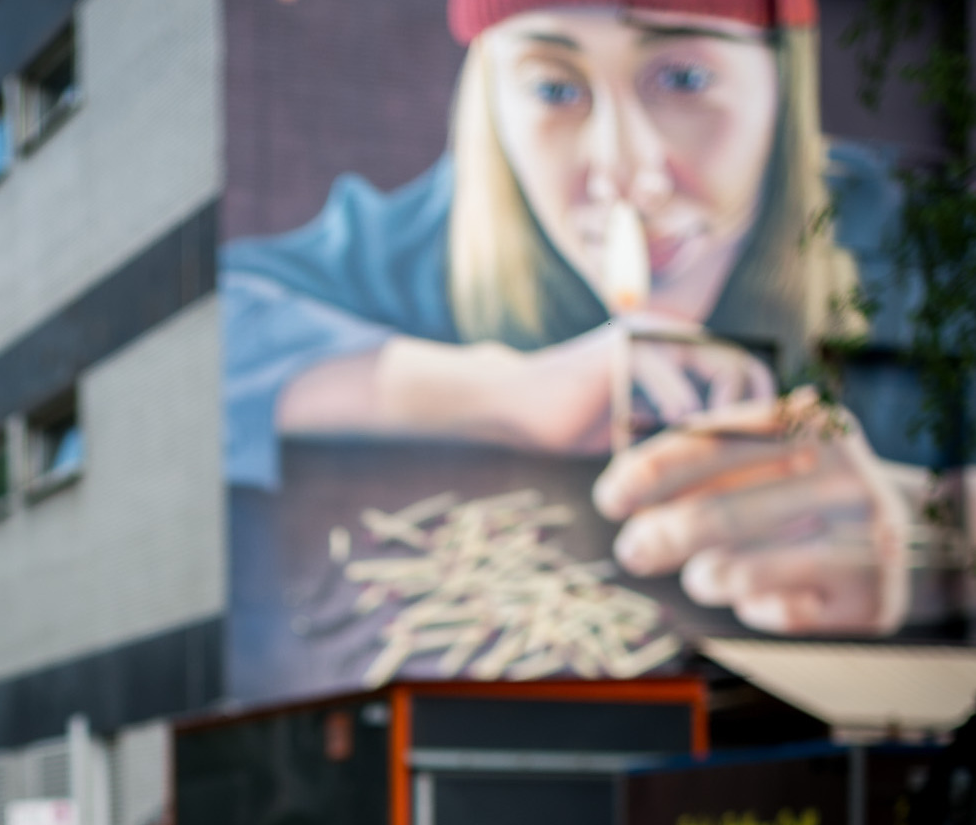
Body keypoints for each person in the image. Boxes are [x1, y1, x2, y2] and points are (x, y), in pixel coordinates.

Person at [224, 0, 942, 639]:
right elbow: (187, 338)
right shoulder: (417, 246)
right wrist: (501, 393)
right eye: (555, 89)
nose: (626, 173)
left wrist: (936, 539)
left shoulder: (923, 245)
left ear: (781, 80)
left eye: (684, 81)